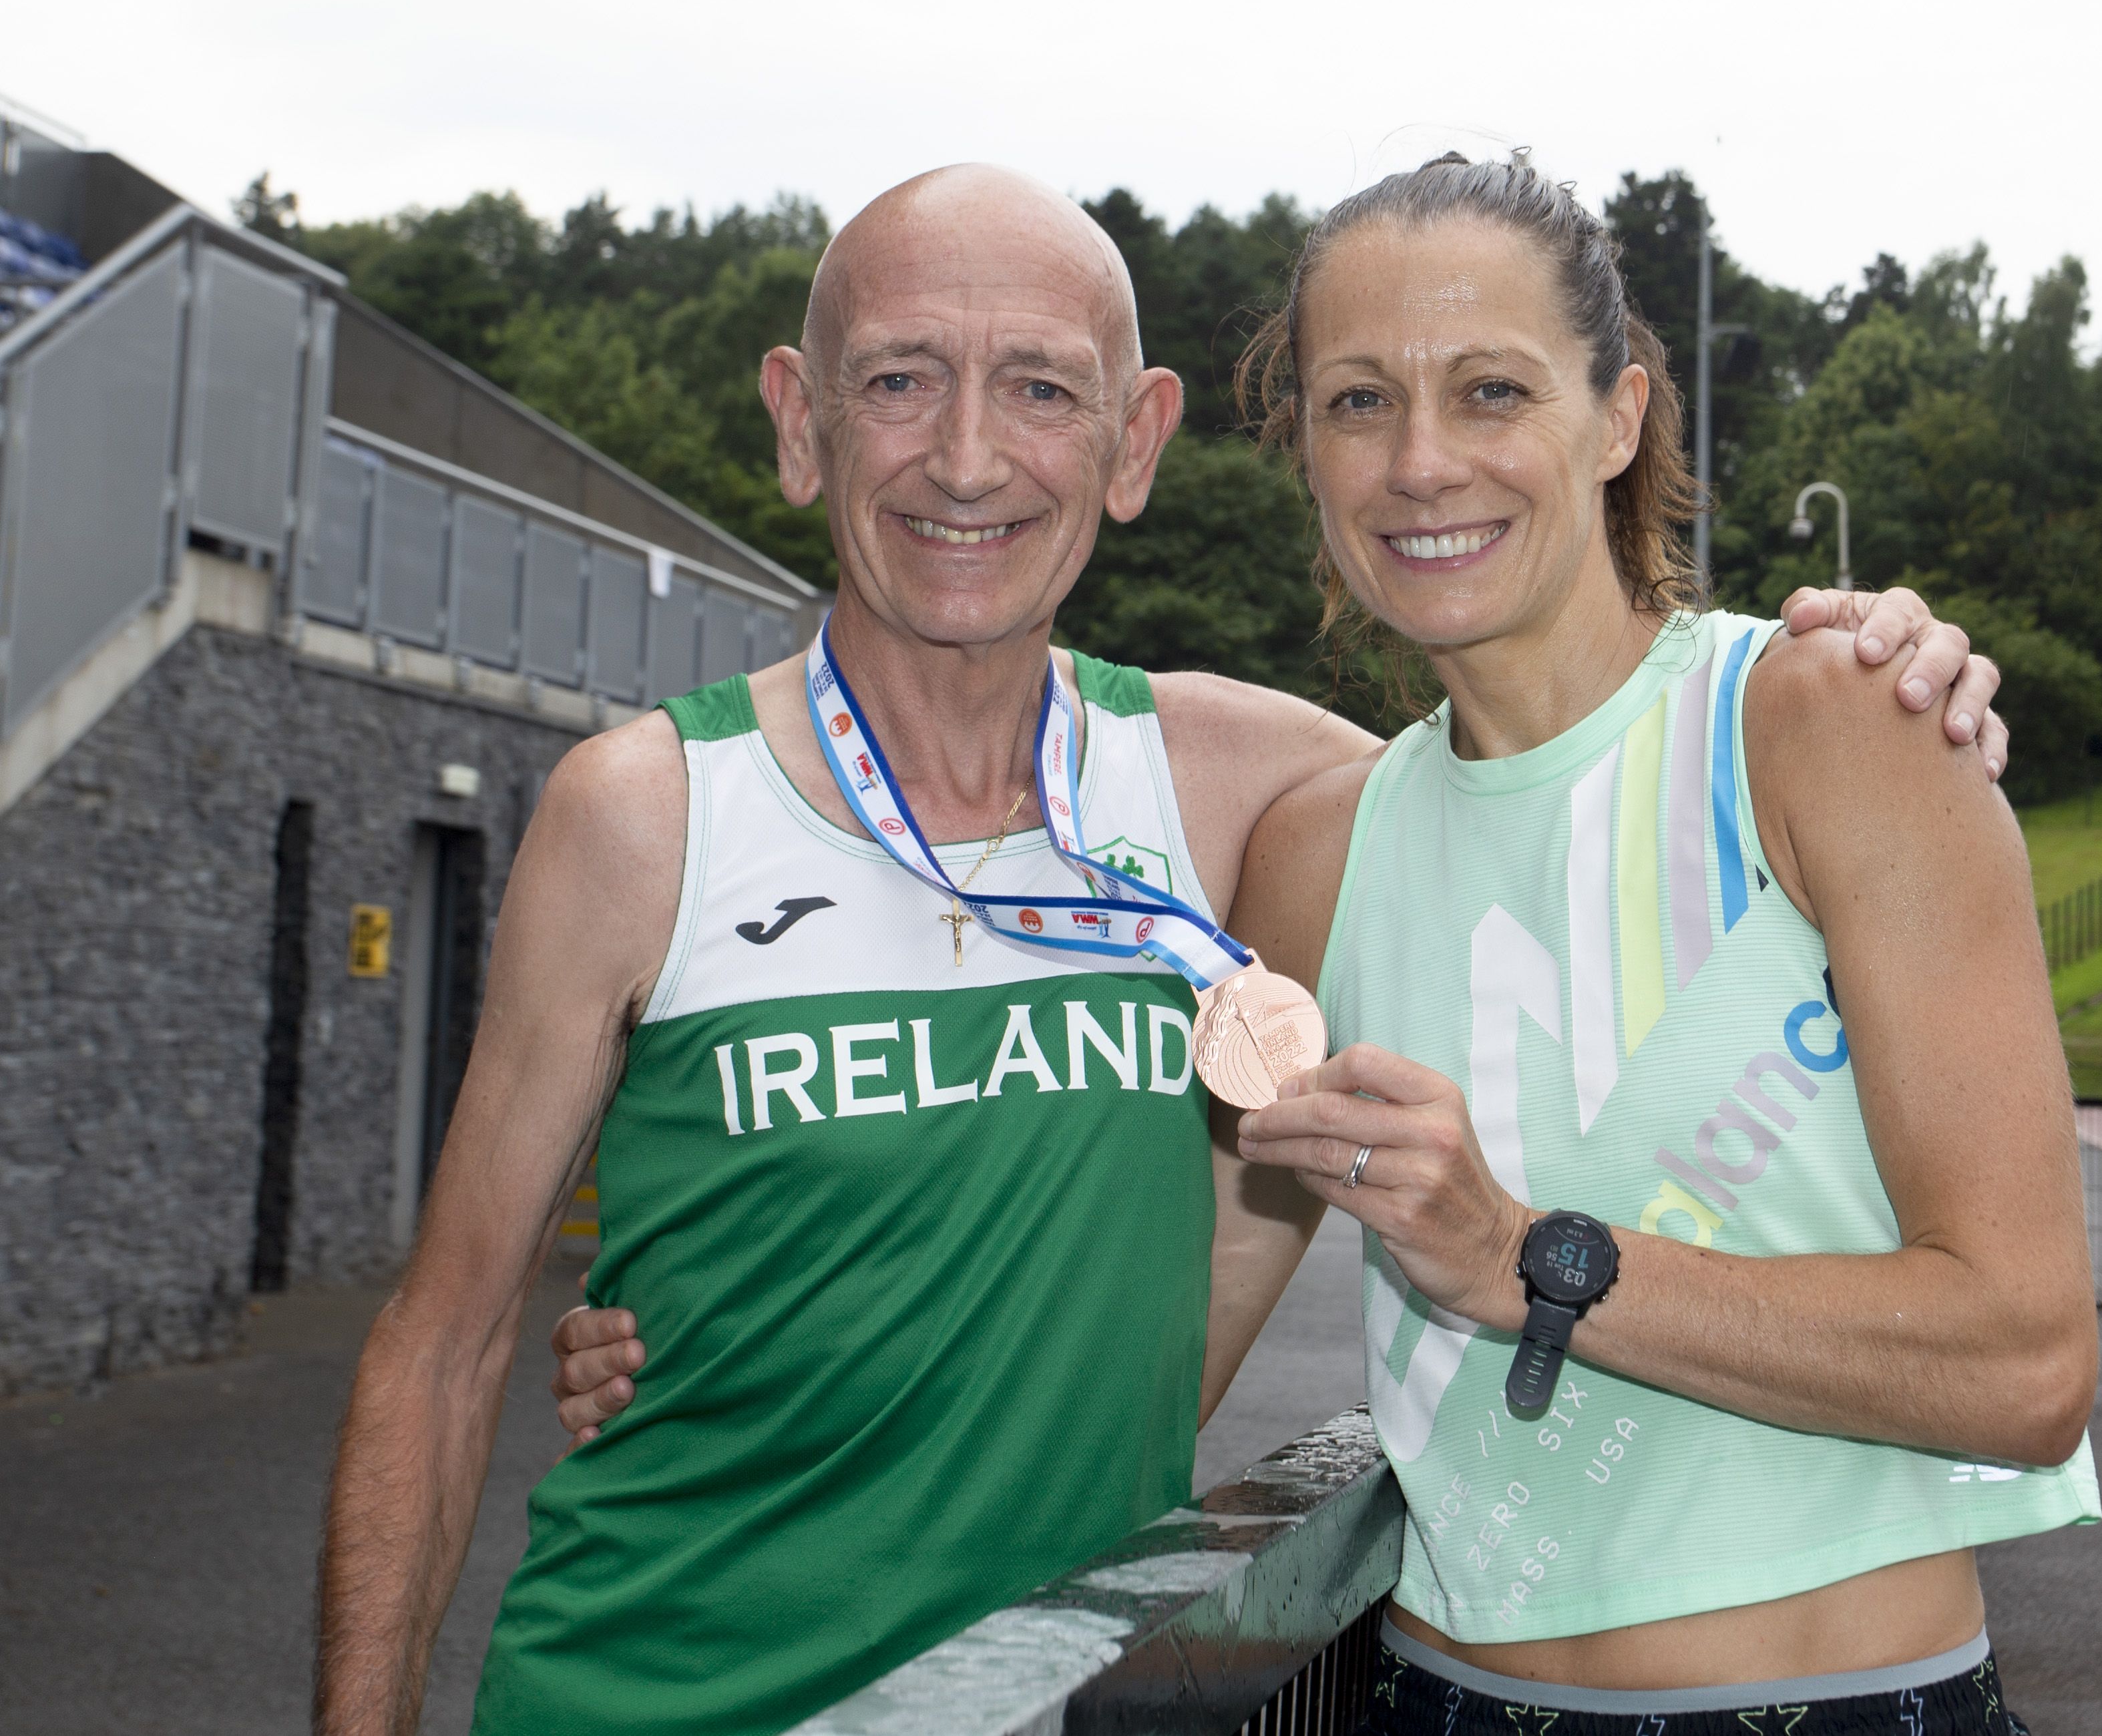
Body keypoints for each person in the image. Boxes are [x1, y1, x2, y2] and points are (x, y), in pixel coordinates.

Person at [323, 160, 2005, 1736]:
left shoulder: (1259, 801)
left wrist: (1885, 667)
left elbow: (1577, 754)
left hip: (1035, 1692)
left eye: (1042, 389)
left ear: (1133, 447)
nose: (967, 459)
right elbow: (445, 1337)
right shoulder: (639, 812)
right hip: (647, 1691)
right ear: (800, 423)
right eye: (901, 378)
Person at [1219, 155, 2097, 1734]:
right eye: (1357, 403)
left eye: (1491, 390)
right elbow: (1165, 1330)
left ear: (1618, 417)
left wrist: (1521, 1263)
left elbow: (2023, 1367)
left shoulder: (1833, 727)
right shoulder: (1310, 858)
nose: (1422, 462)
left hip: (1841, 1702)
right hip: (1434, 1698)